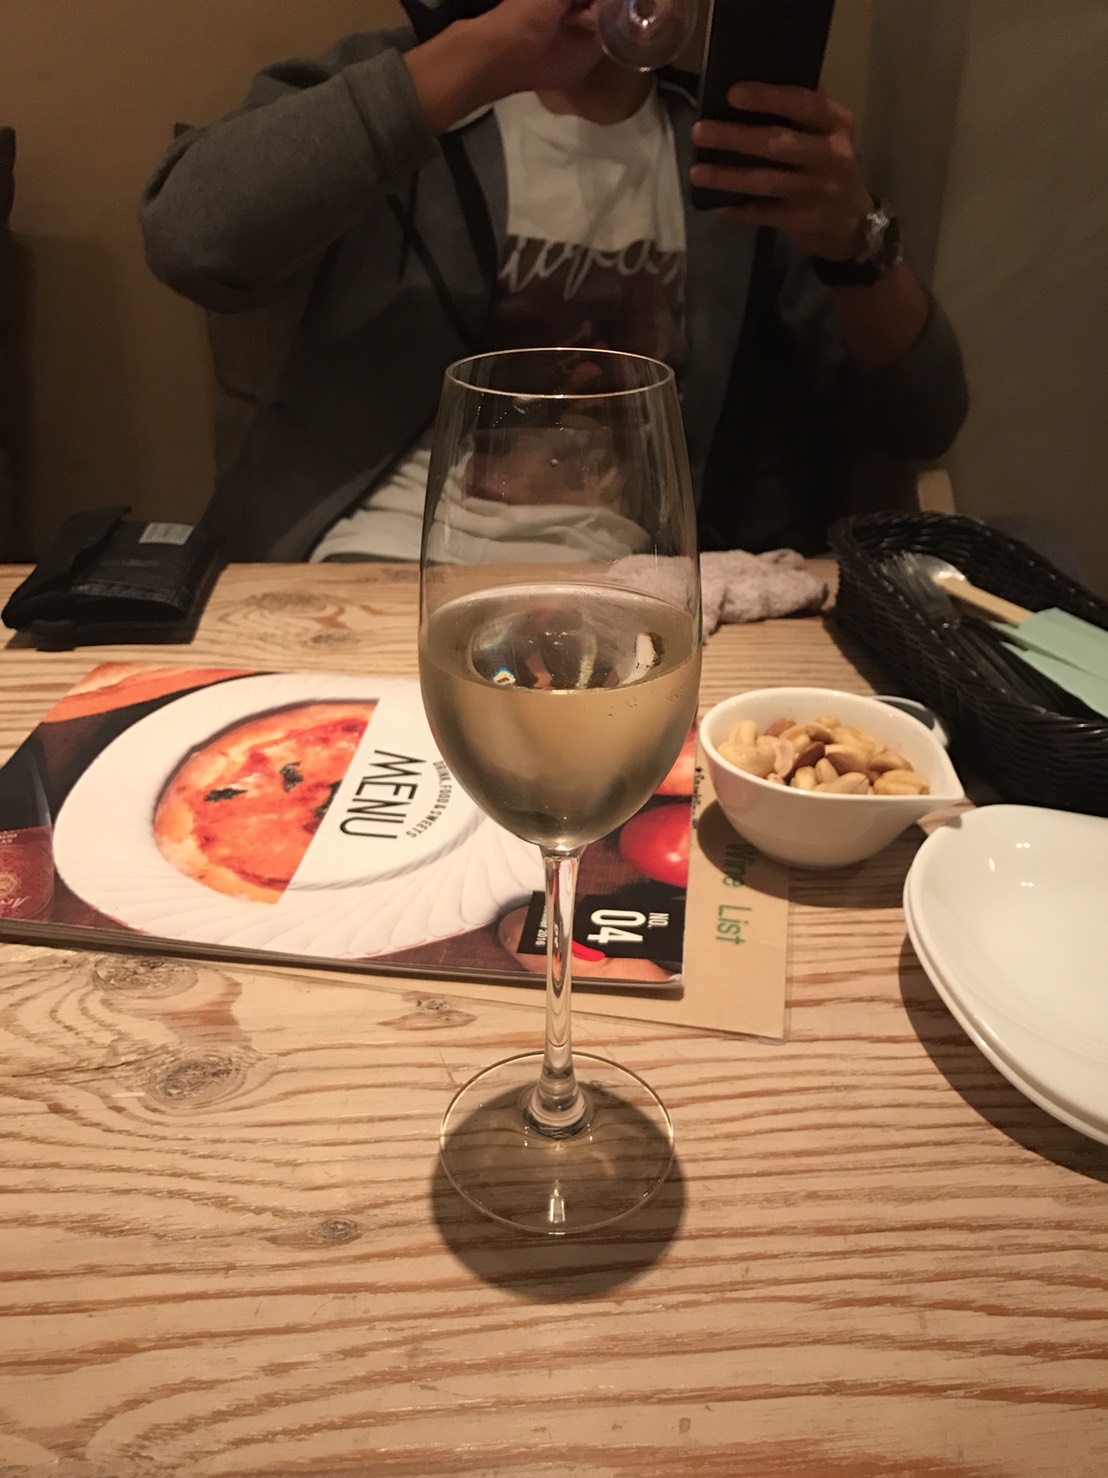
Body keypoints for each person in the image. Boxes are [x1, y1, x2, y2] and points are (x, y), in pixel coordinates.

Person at [140, 0, 968, 563]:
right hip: (362, 579)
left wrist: (853, 237)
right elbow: (189, 238)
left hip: (626, 609)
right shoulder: (406, 85)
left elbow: (922, 417)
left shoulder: (736, 158)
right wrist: (479, 53)